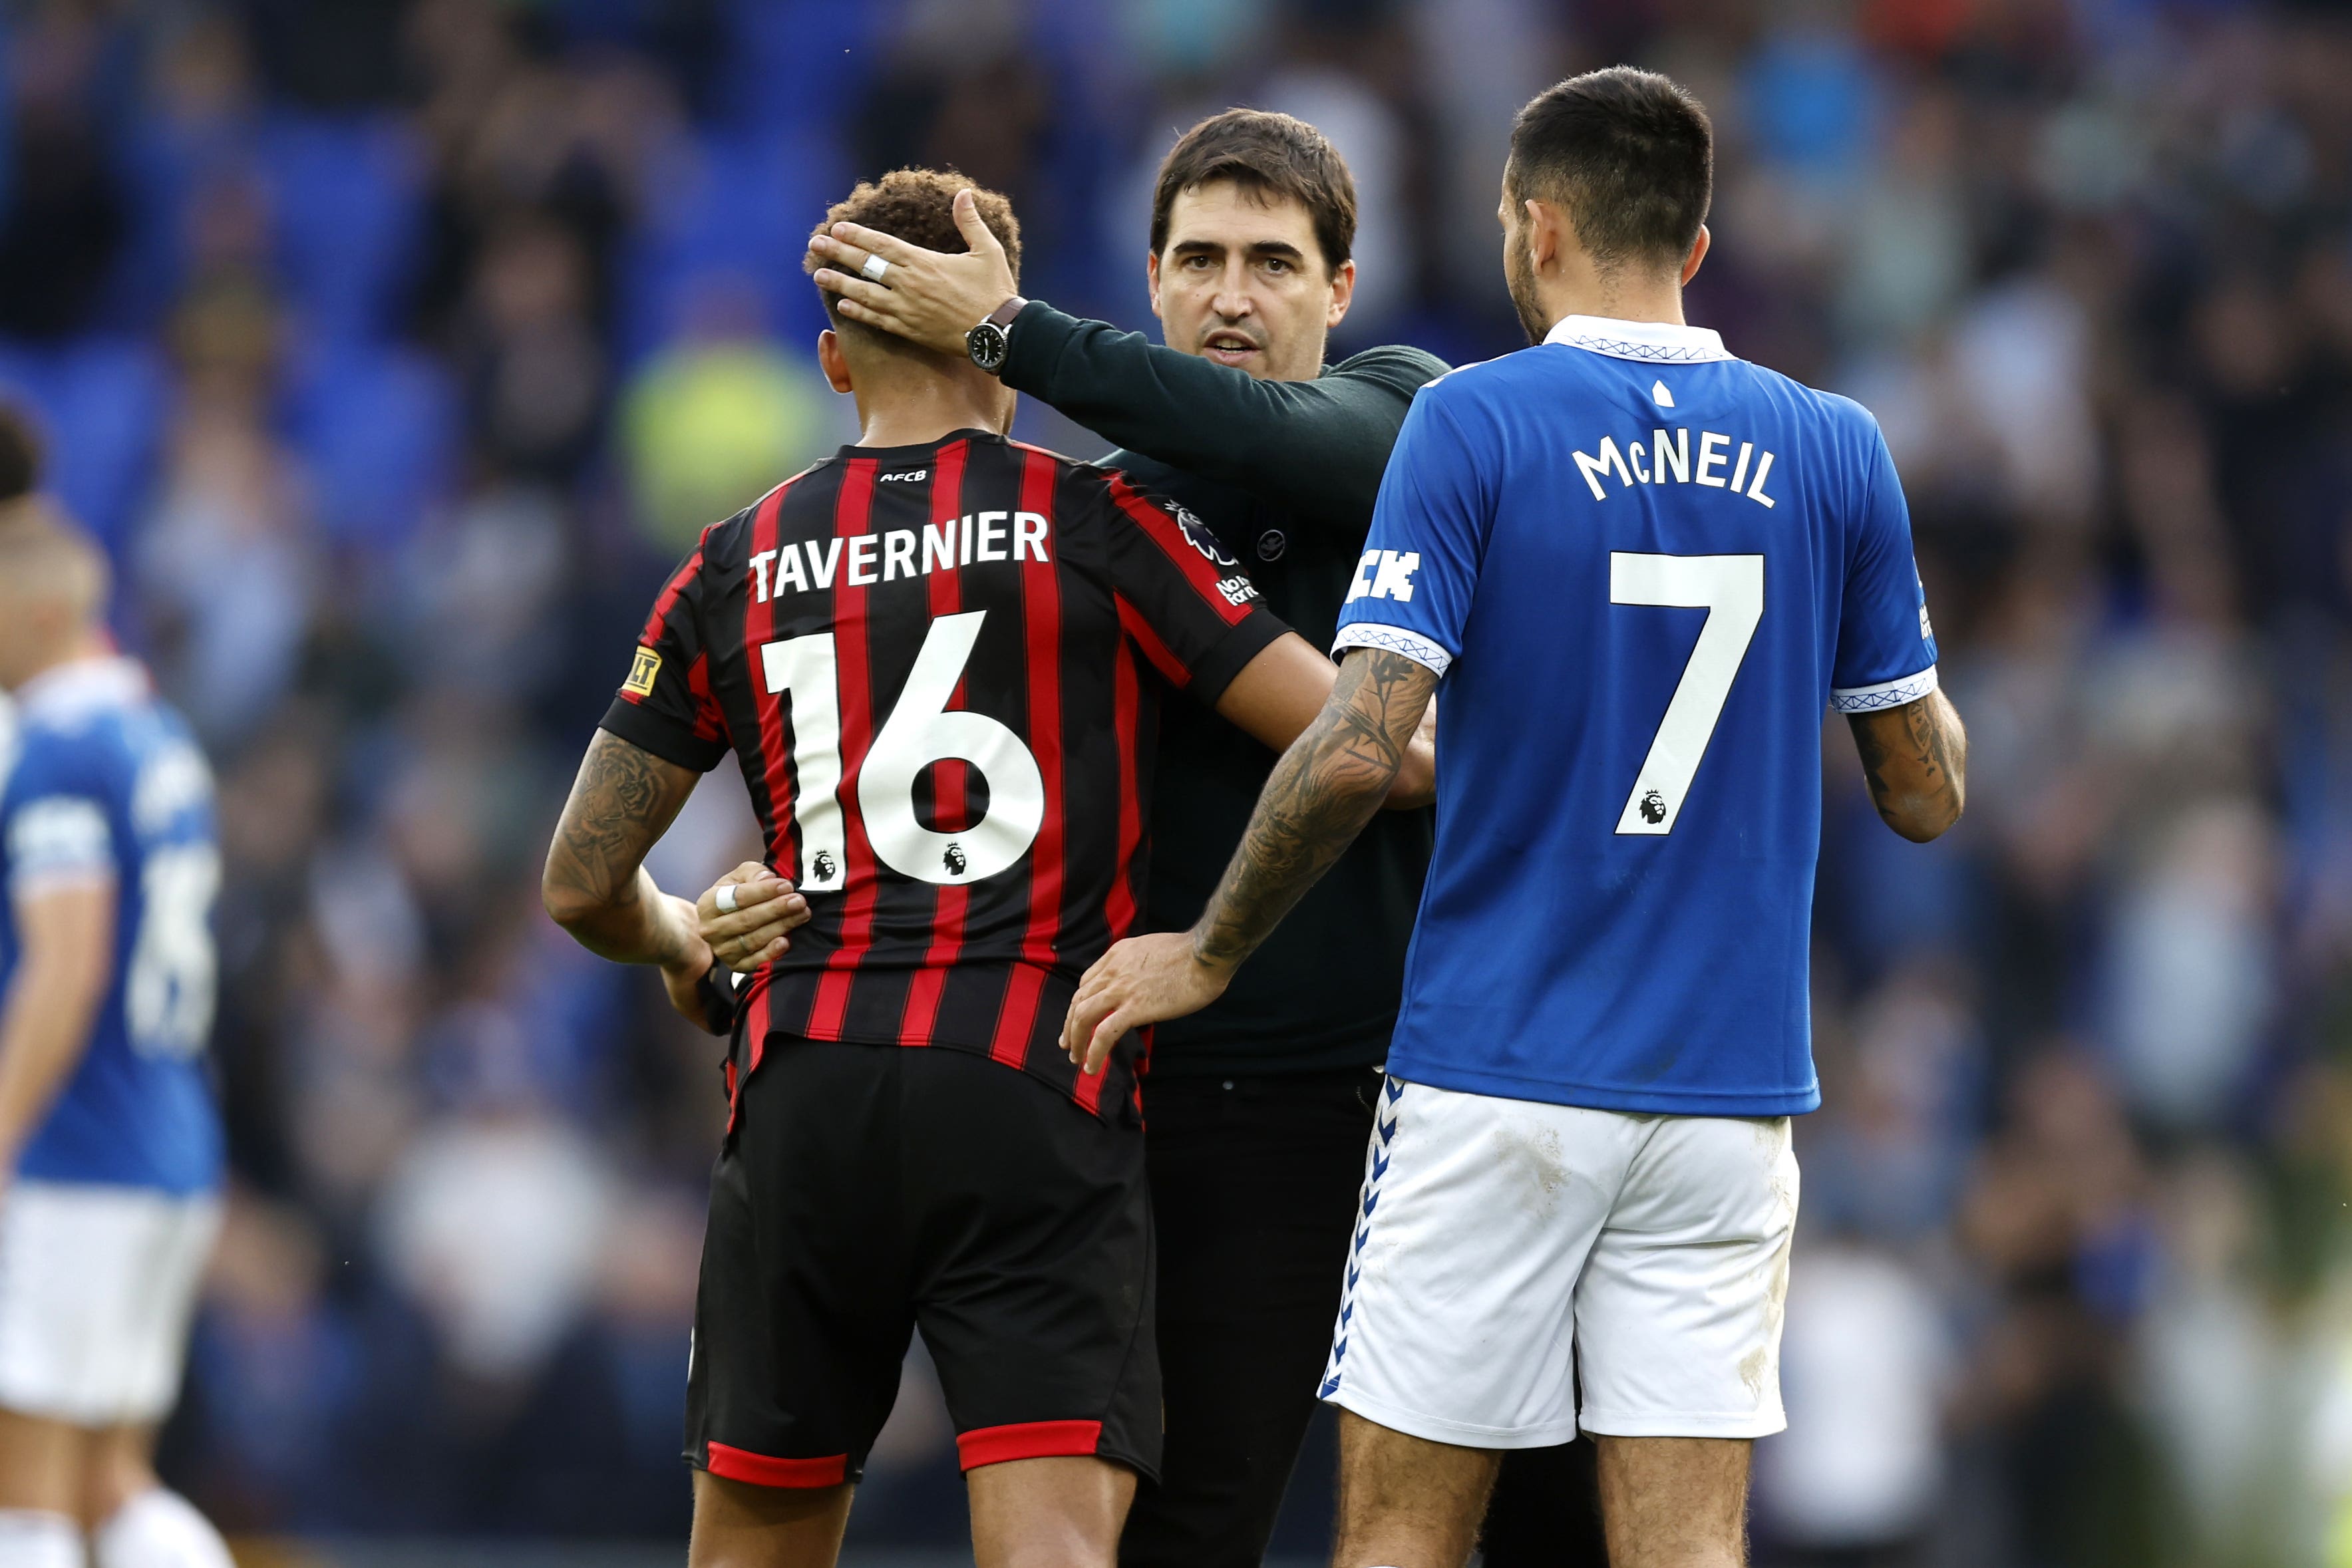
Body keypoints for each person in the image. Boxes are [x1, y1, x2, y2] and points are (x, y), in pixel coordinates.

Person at [1064, 67, 1969, 1568]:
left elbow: (1357, 748)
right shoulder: (1834, 449)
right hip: (1730, 1089)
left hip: (1499, 1069)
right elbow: (1923, 790)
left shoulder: (1476, 423)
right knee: (1677, 1546)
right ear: (1691, 245)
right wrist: (1898, 662)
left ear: (1534, 229)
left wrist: (1211, 951)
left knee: (1405, 1535)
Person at [539, 168, 1428, 1568]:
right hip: (1031, 1088)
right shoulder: (1098, 519)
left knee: (752, 1545)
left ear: (831, 360)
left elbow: (580, 884)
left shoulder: (731, 559)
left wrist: (682, 944)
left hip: (803, 1089)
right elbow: (1358, 744)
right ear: (996, 344)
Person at [794, 108, 1604, 1567]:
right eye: (1200, 260)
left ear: (1341, 289)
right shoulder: (1092, 519)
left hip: (1462, 1093)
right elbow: (939, 789)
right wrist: (751, 901)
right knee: (1196, 1523)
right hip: (1220, 1107)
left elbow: (1275, 437)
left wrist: (1010, 335)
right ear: (1152, 283)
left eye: (1274, 263)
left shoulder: (1415, 417)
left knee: (1557, 1521)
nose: (1234, 294)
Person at [0, 500, 233, 1568]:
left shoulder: (57, 749)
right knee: (112, 1481)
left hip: (76, 1150)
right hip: (168, 1137)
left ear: (41, 610)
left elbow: (69, 962)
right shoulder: (155, 735)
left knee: (26, 1484)